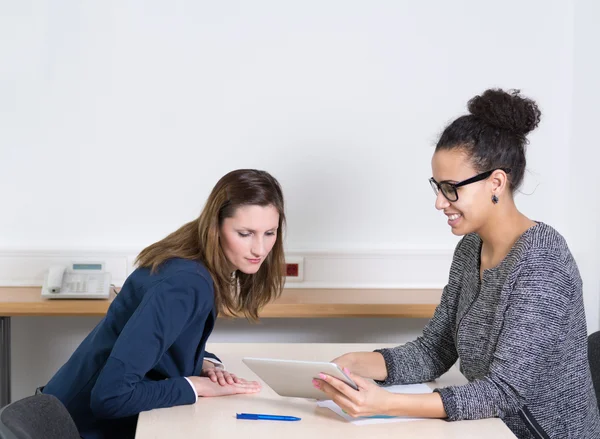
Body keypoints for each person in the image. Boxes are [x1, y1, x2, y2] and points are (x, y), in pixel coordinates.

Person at [314, 89, 600, 438]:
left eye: (451, 188)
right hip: (489, 428)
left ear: (496, 182)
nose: (439, 202)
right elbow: (437, 348)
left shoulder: (543, 262)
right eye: (437, 186)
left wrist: (384, 403)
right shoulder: (470, 248)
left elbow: (504, 392)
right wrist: (354, 364)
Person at [42, 169, 286, 439]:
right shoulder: (185, 283)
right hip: (73, 430)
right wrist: (195, 386)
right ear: (215, 227)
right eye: (245, 233)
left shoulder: (189, 262)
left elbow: (158, 345)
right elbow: (111, 396)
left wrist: (205, 365)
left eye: (270, 233)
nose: (260, 249)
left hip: (63, 415)